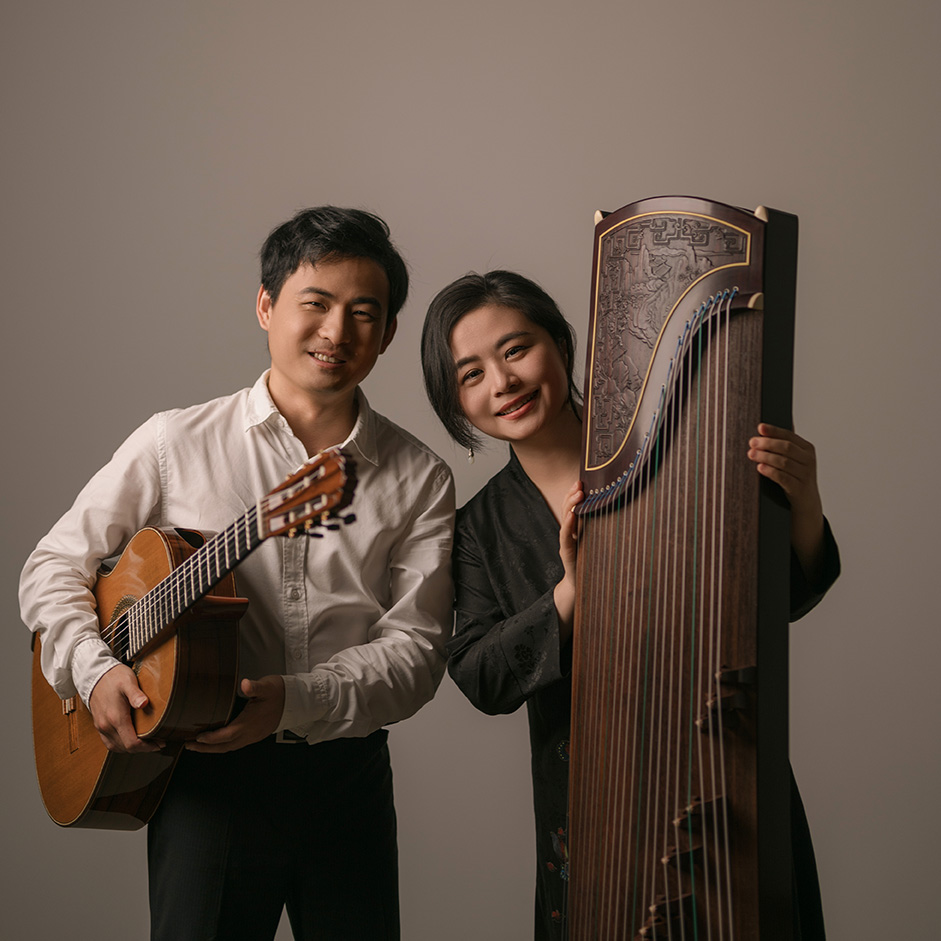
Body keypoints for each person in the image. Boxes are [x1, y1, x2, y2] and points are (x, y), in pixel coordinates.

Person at [20, 207, 455, 941]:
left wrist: (291, 702)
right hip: (200, 781)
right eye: (314, 303)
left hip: (342, 774)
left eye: (363, 313)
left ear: (385, 333)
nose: (336, 331)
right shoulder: (173, 443)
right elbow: (51, 566)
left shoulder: (418, 477)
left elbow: (416, 652)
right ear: (265, 304)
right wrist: (93, 670)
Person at [420, 269, 840, 940]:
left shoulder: (678, 443)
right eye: (469, 374)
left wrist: (804, 500)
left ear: (560, 342)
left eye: (515, 348)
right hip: (593, 812)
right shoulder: (477, 529)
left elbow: (778, 600)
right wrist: (570, 592)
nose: (501, 382)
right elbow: (480, 677)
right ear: (455, 402)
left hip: (724, 768)